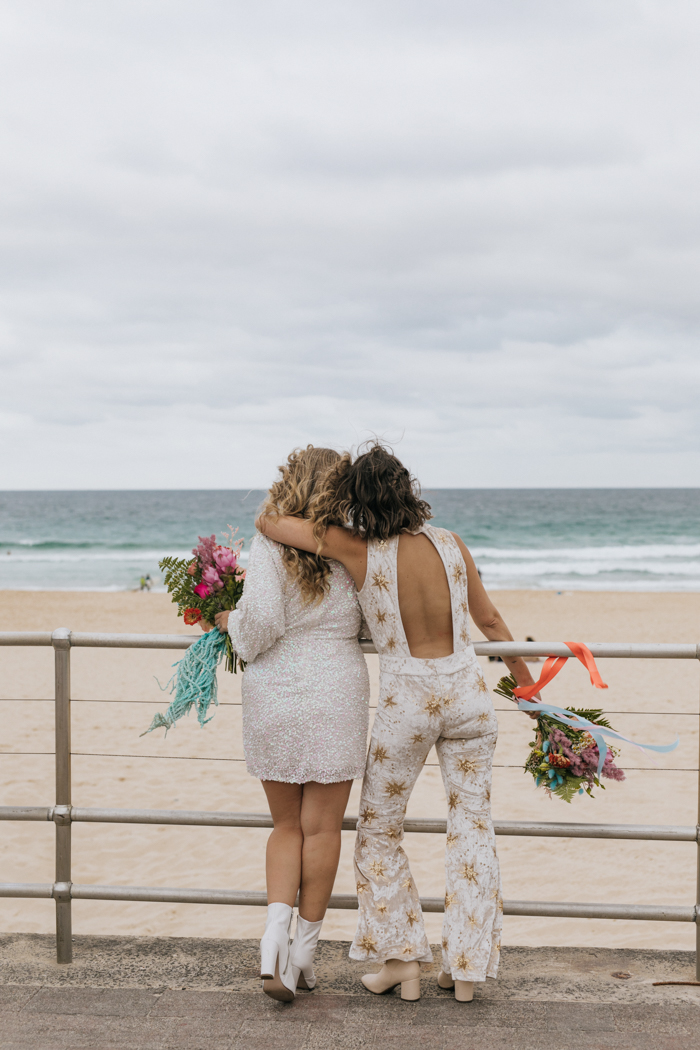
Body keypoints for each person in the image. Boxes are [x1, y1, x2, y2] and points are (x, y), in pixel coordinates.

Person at [257, 443, 539, 1004]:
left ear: (356, 501)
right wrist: (527, 688)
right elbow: (490, 619)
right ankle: (464, 970)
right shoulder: (452, 544)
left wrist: (304, 508)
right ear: (410, 489)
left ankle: (402, 961)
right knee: (473, 828)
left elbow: (271, 523)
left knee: (379, 831)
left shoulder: (359, 550)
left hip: (408, 704)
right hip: (467, 699)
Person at [213, 447, 370, 1003]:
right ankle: (304, 953)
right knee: (324, 828)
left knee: (285, 826)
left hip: (275, 690)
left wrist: (225, 618)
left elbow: (257, 630)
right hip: (337, 688)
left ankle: (272, 943)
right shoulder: (355, 547)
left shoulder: (271, 543)